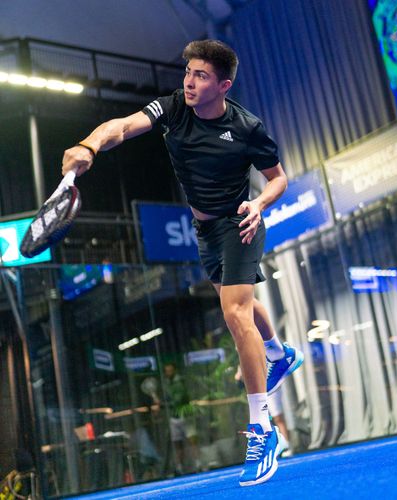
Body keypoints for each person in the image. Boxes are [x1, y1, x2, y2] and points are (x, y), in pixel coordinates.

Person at [62, 39, 304, 486]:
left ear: (223, 85)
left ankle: (262, 428)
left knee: (234, 313)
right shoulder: (174, 107)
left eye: (201, 76)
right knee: (239, 304)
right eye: (188, 72)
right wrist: (89, 146)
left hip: (240, 222)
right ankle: (279, 352)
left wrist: (259, 204)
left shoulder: (247, 127)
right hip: (205, 231)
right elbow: (122, 126)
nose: (189, 82)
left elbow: (278, 179)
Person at [163, 363, 201, 474]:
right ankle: (179, 468)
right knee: (177, 444)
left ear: (174, 371)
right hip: (174, 419)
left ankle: (198, 464)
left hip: (186, 416)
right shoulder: (166, 384)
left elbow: (178, 400)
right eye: (167, 371)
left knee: (192, 441)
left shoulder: (180, 382)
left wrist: (164, 404)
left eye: (170, 370)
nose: (169, 373)